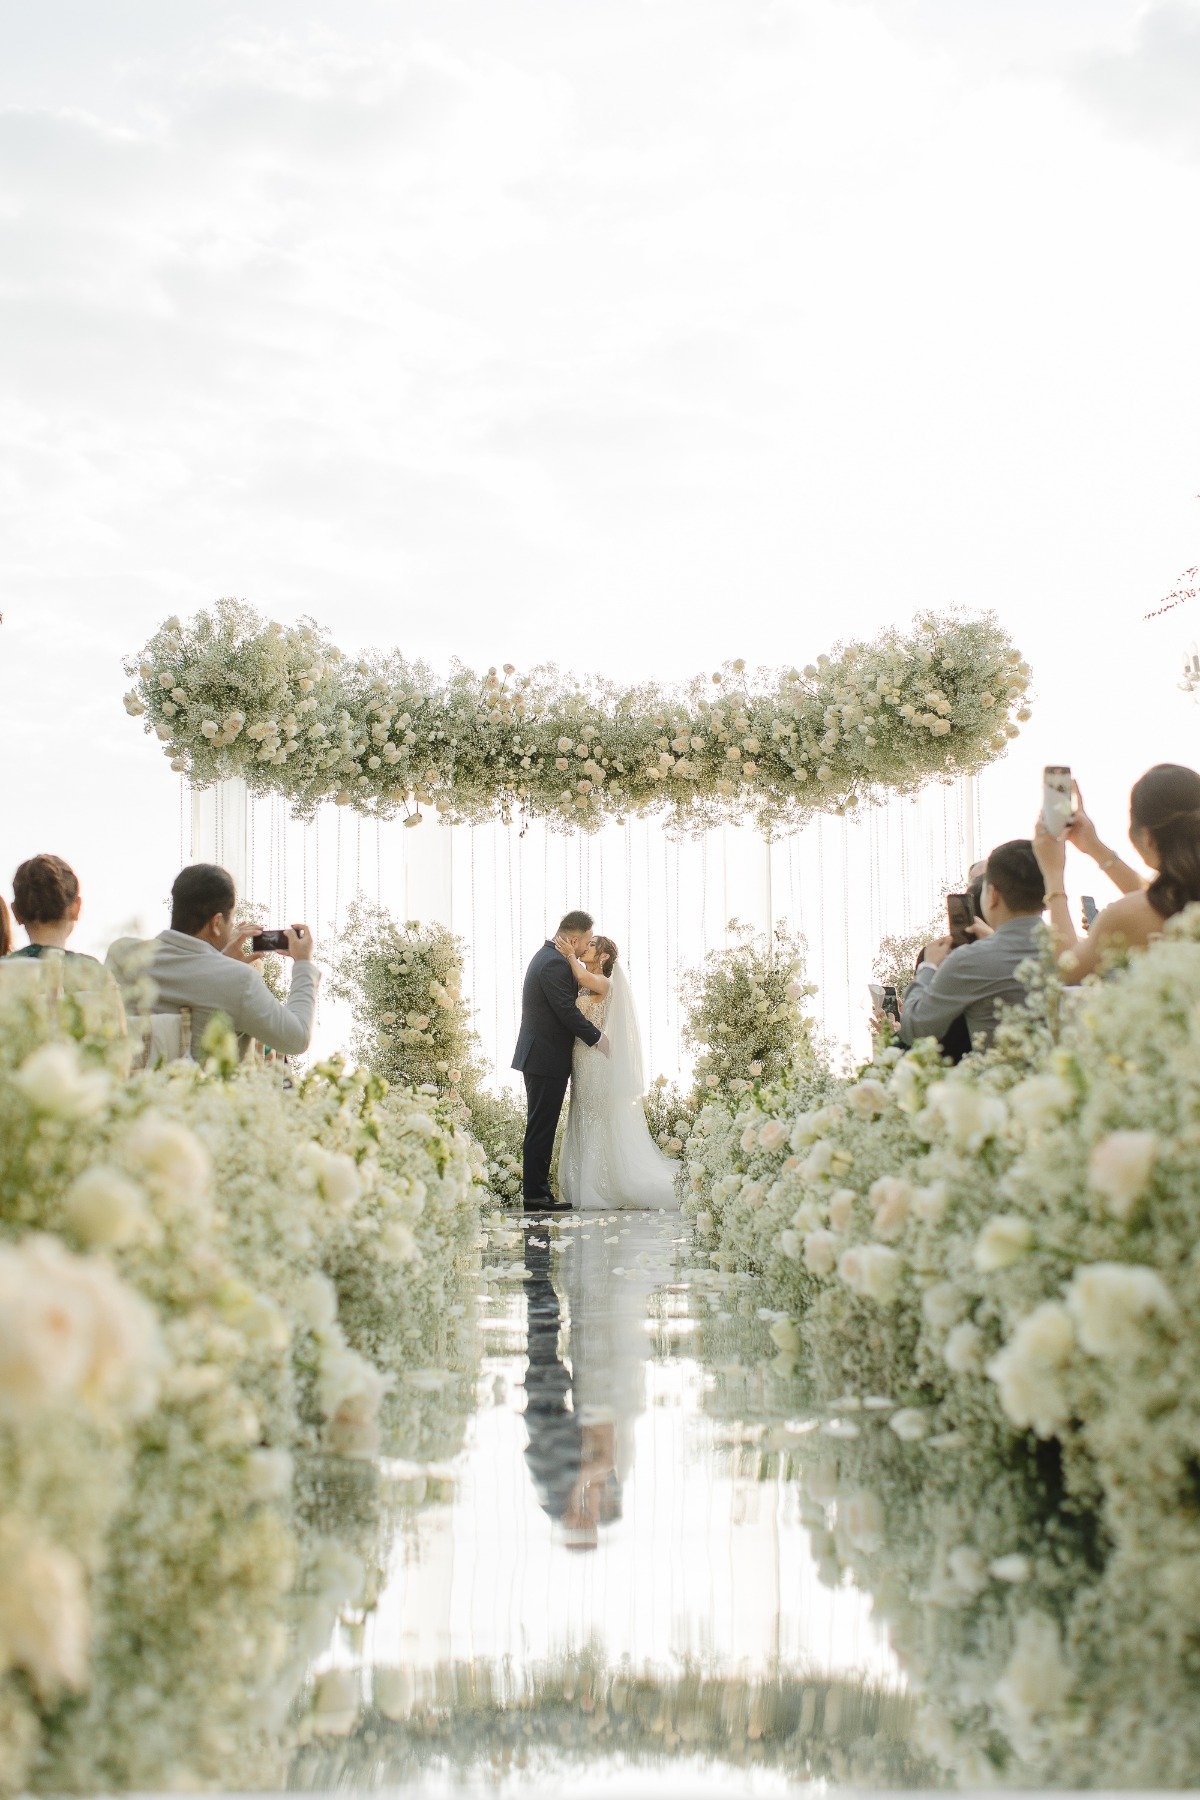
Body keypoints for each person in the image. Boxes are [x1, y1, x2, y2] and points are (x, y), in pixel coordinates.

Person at [1033, 764, 1200, 984]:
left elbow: (1065, 970)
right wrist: (1094, 847)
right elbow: (1165, 901)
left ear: (1146, 837)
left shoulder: (1127, 916)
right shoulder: (1180, 903)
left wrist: (1053, 874)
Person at [138, 863, 320, 1059]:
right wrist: (303, 964)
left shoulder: (125, 955)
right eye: (231, 920)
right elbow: (297, 1038)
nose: (232, 927)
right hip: (201, 1088)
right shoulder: (239, 981)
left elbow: (193, 978)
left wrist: (220, 961)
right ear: (217, 923)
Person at [556, 932, 679, 1211]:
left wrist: (569, 953)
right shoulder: (584, 983)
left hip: (597, 1062)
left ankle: (599, 1185)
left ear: (604, 956)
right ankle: (584, 1183)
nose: (585, 948)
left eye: (591, 946)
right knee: (582, 1113)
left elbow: (582, 977)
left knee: (597, 1115)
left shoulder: (604, 982)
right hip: (580, 1059)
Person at [898, 839, 1046, 1053]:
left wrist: (927, 968)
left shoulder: (969, 960)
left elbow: (915, 1029)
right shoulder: (1072, 951)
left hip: (999, 1081)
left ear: (993, 895)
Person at [512, 911, 610, 1212]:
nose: (584, 950)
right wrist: (597, 1038)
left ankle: (538, 1191)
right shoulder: (553, 963)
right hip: (544, 1057)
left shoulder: (547, 957)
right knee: (541, 1126)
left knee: (541, 1124)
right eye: (585, 942)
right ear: (574, 938)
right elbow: (566, 1011)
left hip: (542, 1056)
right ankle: (536, 1195)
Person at [4, 853, 127, 1039]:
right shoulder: (96, 975)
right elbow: (120, 1047)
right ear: (76, 908)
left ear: (16, 913)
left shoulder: (4, 972)